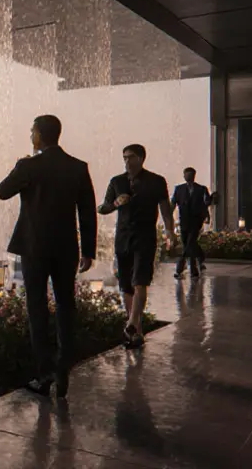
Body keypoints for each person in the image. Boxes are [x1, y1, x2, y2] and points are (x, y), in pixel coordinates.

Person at [0, 115, 96, 398]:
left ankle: (44, 374)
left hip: (34, 247)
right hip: (66, 248)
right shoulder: (77, 167)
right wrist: (88, 251)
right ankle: (63, 369)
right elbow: (87, 211)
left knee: (37, 307)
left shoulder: (28, 166)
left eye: (32, 131)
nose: (31, 136)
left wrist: (19, 166)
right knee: (66, 306)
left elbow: (3, 192)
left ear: (40, 134)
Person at [99, 144, 176, 349]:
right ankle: (136, 331)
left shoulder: (156, 181)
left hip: (145, 236)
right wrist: (116, 203)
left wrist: (169, 231)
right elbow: (102, 208)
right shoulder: (117, 181)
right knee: (125, 283)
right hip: (123, 237)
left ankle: (132, 323)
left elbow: (166, 210)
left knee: (140, 280)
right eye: (124, 157)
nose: (127, 161)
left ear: (141, 158)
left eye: (131, 157)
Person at [171, 167, 214, 279]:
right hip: (184, 221)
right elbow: (173, 203)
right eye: (186, 175)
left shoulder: (201, 189)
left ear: (194, 176)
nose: (188, 177)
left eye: (190, 175)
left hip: (196, 221)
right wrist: (169, 217)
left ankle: (182, 269)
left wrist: (211, 200)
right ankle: (200, 257)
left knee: (189, 244)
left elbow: (206, 203)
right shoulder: (179, 189)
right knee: (189, 244)